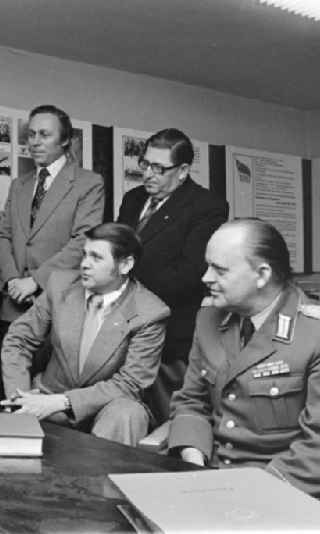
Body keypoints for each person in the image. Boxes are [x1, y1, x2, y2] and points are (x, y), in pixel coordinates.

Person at [168, 219, 320, 511]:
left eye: (220, 270)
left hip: (292, 493)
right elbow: (191, 401)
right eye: (207, 266)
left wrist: (246, 496)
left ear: (262, 275)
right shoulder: (209, 319)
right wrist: (194, 463)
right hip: (209, 481)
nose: (205, 277)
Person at [0, 223, 169, 445]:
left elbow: (131, 383)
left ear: (125, 264)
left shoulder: (150, 312)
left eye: (96, 258)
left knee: (127, 413)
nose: (84, 264)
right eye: (85, 255)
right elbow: (19, 340)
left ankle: (100, 480)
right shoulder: (60, 284)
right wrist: (19, 397)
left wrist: (63, 402)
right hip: (47, 396)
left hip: (106, 407)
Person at [0, 104, 104, 408]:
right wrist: (14, 278)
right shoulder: (20, 184)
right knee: (10, 395)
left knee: (48, 400)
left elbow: (84, 240)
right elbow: (3, 236)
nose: (35, 141)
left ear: (65, 140)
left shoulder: (88, 183)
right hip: (15, 305)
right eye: (31, 134)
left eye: (44, 134)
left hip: (61, 305)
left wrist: (35, 281)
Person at [117, 128, 228, 424]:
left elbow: (189, 274)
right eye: (145, 164)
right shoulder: (132, 199)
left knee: (168, 421)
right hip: (121, 328)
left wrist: (127, 285)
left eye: (159, 168)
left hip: (169, 333)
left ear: (183, 171)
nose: (149, 174)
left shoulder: (207, 206)